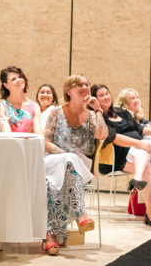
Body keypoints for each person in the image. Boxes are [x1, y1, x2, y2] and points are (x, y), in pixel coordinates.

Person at [43, 75, 108, 255]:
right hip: (55, 160)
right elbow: (46, 143)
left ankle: (51, 236)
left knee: (55, 180)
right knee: (55, 177)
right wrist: (66, 156)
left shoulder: (92, 115)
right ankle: (81, 214)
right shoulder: (56, 112)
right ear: (69, 90)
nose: (85, 87)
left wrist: (98, 110)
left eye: (87, 84)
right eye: (80, 84)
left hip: (80, 164)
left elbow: (102, 135)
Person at [91, 84, 151, 226]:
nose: (106, 97)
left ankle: (138, 181)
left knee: (147, 164)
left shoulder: (121, 112)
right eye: (101, 95)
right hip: (117, 157)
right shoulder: (98, 118)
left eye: (107, 93)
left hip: (136, 155)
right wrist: (139, 144)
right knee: (146, 158)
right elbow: (112, 137)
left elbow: (138, 128)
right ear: (94, 100)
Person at [0, 66, 42, 134]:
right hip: (10, 144)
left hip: (30, 144)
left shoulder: (35, 107)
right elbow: (6, 134)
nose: (19, 80)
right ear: (6, 85)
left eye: (20, 77)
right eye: (13, 79)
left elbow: (39, 135)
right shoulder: (1, 106)